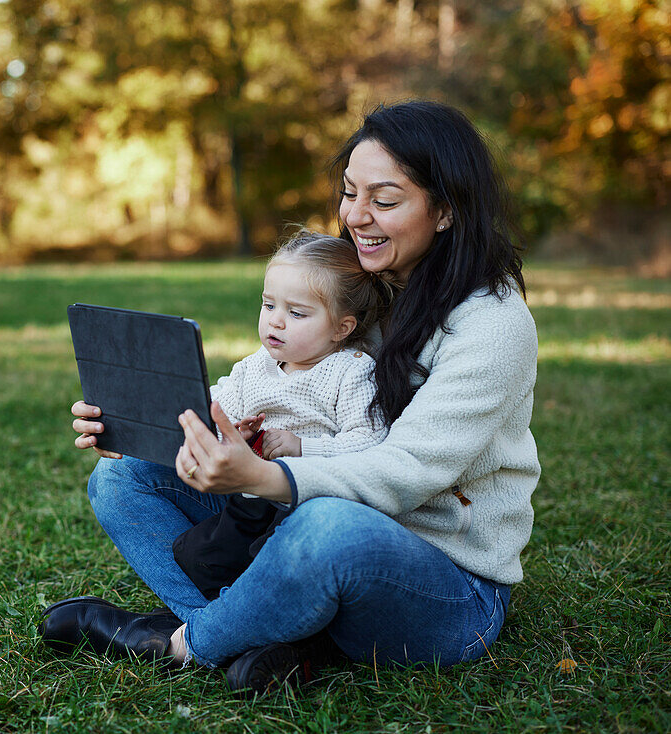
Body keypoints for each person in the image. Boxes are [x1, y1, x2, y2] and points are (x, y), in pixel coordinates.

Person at [41, 99, 539, 695]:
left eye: (384, 201)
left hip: (443, 586)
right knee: (123, 481)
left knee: (327, 527)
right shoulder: (357, 293)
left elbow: (410, 471)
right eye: (350, 193)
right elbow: (263, 386)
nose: (356, 216)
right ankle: (270, 635)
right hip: (295, 523)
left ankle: (182, 645)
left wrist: (267, 474)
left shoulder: (492, 325)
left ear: (446, 212)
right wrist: (135, 425)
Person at [172, 230, 394, 601]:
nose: (276, 321)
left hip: (309, 504)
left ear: (343, 327)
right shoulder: (257, 366)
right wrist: (230, 432)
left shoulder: (350, 371)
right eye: (268, 305)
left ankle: (254, 619)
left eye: (296, 312)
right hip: (252, 501)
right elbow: (217, 403)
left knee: (274, 565)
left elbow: (370, 440)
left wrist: (303, 447)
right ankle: (219, 612)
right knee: (199, 556)